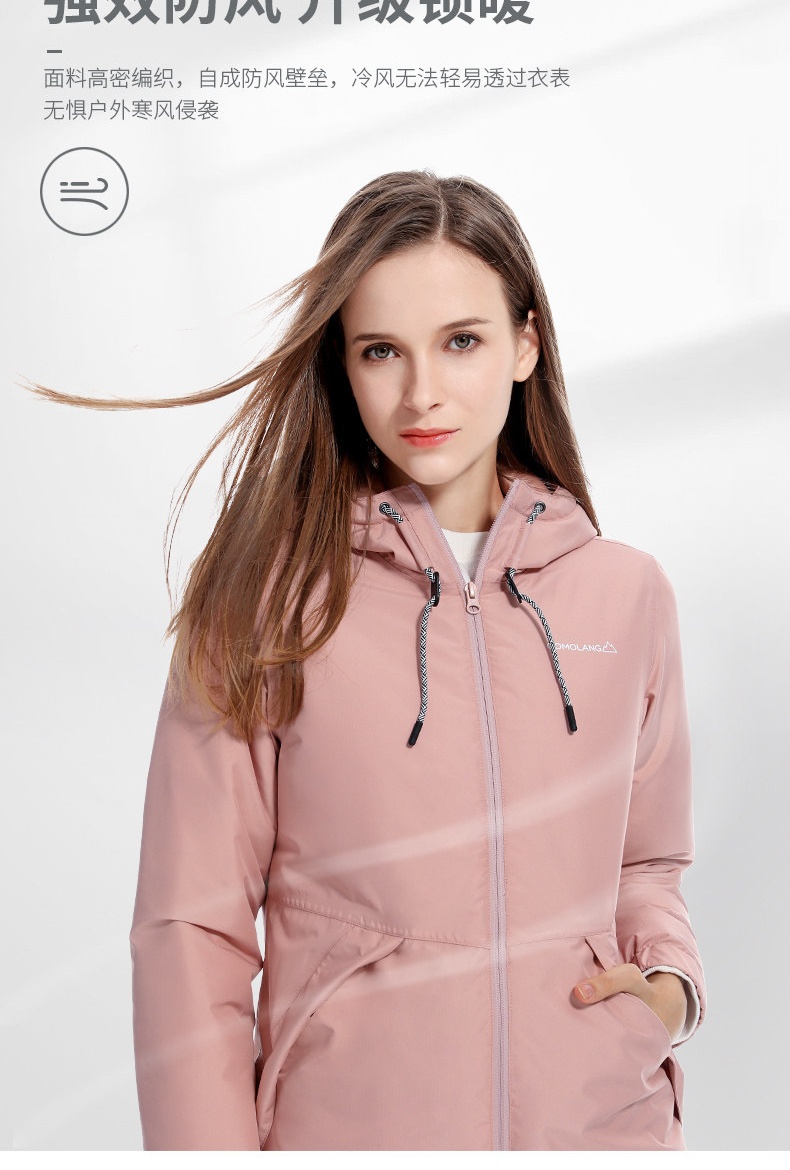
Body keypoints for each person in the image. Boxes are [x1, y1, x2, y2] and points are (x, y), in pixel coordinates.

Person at [25, 169, 706, 1150]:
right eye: (381, 349)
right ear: (342, 364)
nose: (422, 392)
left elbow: (646, 861)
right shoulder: (266, 601)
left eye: (461, 340)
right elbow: (189, 931)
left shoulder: (626, 592)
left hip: (604, 1130)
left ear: (525, 343)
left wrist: (670, 988)